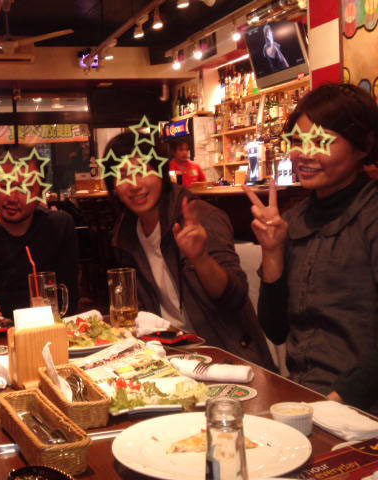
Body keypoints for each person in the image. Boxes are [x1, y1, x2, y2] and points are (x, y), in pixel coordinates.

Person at [243, 83, 378, 412]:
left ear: (363, 146)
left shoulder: (371, 214)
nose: (302, 153)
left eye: (320, 142)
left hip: (362, 408)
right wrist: (272, 252)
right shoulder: (293, 219)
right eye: (297, 141)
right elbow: (276, 331)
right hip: (303, 395)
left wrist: (339, 401)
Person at [104, 132, 273, 367]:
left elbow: (234, 298)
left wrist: (200, 258)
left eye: (143, 170)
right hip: (169, 355)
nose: (135, 184)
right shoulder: (126, 234)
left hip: (225, 356)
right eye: (123, 175)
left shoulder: (200, 217)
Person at [0, 145, 79, 325]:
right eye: (4, 186)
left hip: (45, 332)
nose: (11, 197)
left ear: (41, 193)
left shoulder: (58, 226)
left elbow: (69, 297)